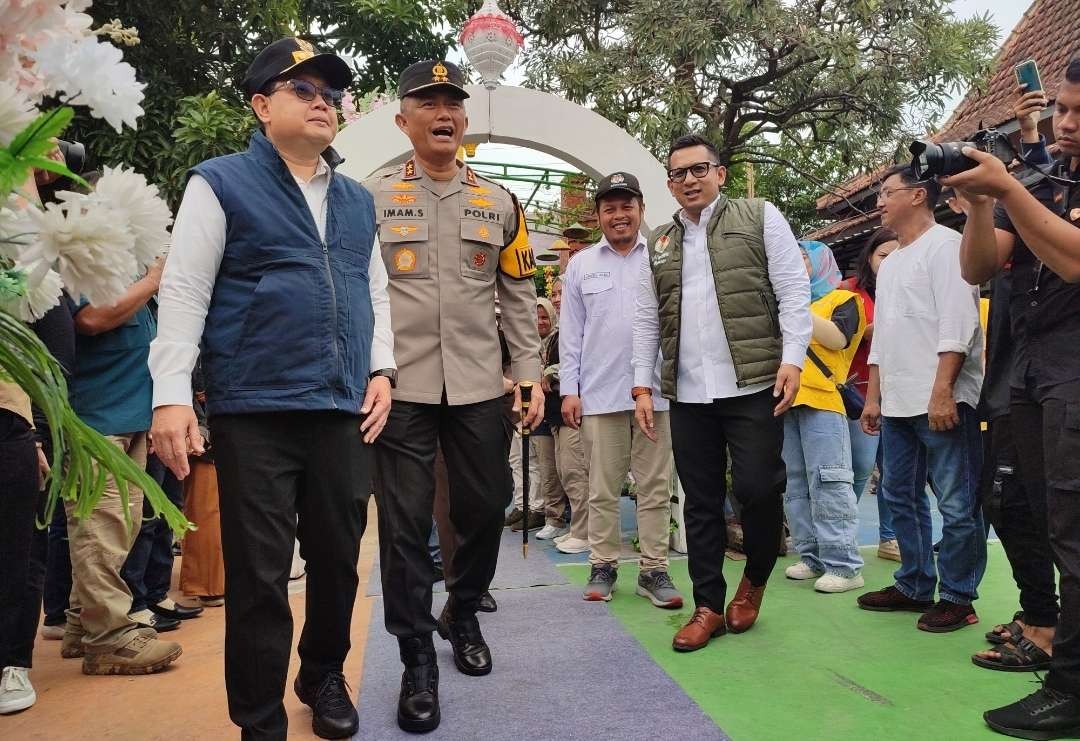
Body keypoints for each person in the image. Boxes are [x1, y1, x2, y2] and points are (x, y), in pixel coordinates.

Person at [150, 38, 394, 740]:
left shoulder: (356, 200)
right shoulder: (220, 181)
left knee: (339, 560)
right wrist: (171, 392)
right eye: (302, 90)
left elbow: (372, 290)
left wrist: (382, 369)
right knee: (258, 576)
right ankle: (259, 719)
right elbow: (186, 287)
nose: (323, 102)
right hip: (254, 408)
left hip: (342, 408)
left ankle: (321, 673)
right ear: (261, 106)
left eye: (331, 93)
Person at [364, 59, 540, 734]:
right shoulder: (372, 197)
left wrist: (528, 376)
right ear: (402, 119)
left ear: (465, 121)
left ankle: (462, 606)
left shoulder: (498, 202)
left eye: (452, 103)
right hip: (399, 386)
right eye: (427, 102)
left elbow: (518, 295)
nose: (443, 113)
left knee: (487, 504)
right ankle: (417, 661)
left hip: (476, 385)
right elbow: (356, 289)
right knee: (405, 527)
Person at [943, 57, 1080, 738]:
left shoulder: (1045, 179)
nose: (1067, 125)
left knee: (1073, 525)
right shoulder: (1052, 175)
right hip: (1030, 366)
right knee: (1041, 510)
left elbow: (1076, 258)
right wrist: (981, 203)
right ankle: (1051, 641)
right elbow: (978, 265)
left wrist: (1008, 184)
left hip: (1070, 365)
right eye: (1062, 110)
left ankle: (1069, 684)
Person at [633, 134, 812, 651]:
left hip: (753, 382)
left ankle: (754, 579)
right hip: (688, 392)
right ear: (669, 184)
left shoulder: (759, 216)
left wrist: (793, 358)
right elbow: (648, 319)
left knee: (758, 488)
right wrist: (643, 385)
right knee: (701, 503)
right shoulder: (660, 242)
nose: (689, 180)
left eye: (698, 169)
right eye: (678, 174)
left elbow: (793, 290)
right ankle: (707, 604)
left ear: (720, 173)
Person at [856, 163, 986, 633]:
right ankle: (913, 583)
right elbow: (885, 339)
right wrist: (874, 397)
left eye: (886, 193)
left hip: (941, 398)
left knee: (956, 501)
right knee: (900, 496)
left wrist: (943, 390)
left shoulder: (947, 246)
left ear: (916, 196)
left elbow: (959, 324)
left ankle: (957, 595)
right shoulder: (890, 265)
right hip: (897, 401)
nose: (879, 203)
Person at [561, 171, 682, 608]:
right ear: (598, 216)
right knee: (602, 486)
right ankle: (603, 564)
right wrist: (569, 389)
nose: (619, 215)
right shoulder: (581, 264)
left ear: (641, 210)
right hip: (598, 392)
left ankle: (654, 570)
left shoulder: (664, 257)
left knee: (654, 486)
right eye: (609, 208)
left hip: (657, 393)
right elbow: (570, 332)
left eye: (626, 206)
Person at [782, 241, 866, 593]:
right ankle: (811, 555)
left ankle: (845, 564)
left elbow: (838, 339)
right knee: (795, 482)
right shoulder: (783, 304)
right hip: (786, 401)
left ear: (819, 262)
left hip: (823, 400)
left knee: (829, 480)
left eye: (802, 257)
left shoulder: (844, 300)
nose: (796, 262)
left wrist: (795, 306)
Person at [842, 229, 901, 562]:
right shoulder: (848, 291)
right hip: (861, 393)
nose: (890, 262)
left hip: (903, 393)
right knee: (860, 468)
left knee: (894, 472)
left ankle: (889, 538)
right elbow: (845, 334)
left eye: (897, 254)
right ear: (869, 258)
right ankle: (842, 535)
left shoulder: (910, 289)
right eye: (883, 255)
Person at [178, 369, 225, 607]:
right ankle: (207, 584)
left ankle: (210, 582)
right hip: (203, 431)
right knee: (205, 510)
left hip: (219, 424)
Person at [533, 296, 569, 540]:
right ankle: (552, 516)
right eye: (537, 317)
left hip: (559, 409)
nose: (541, 321)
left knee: (567, 469)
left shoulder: (561, 337)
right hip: (540, 413)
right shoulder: (532, 343)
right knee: (547, 469)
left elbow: (569, 363)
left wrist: (548, 372)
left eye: (545, 316)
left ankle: (568, 521)